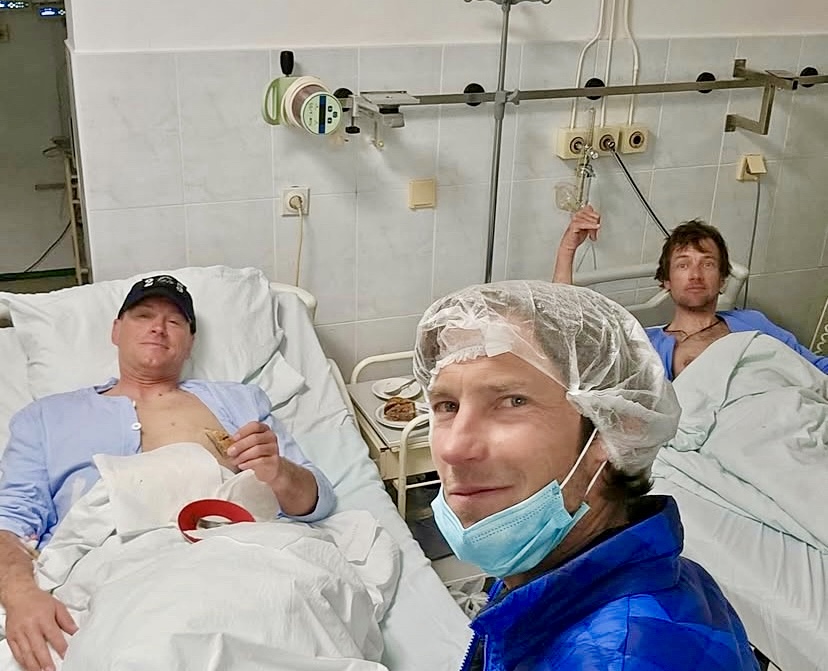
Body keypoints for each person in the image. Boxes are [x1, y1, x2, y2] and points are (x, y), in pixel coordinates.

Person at [413, 280, 760, 670]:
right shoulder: (548, 572)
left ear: (615, 426)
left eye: (512, 402)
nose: (452, 449)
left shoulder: (622, 658)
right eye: (447, 405)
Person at [0, 274, 336, 671]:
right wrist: (22, 596)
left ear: (190, 342)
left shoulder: (238, 400)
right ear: (115, 330)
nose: (159, 327)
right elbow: (11, 523)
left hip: (235, 551)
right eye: (143, 315)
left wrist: (278, 472)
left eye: (175, 321)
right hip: (110, 567)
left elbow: (316, 502)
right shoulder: (46, 417)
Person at [553, 206, 828, 379]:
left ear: (722, 280)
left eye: (707, 264)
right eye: (683, 265)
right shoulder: (644, 345)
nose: (695, 275)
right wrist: (568, 249)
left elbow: (814, 367)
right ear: (666, 281)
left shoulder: (753, 322)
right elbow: (567, 341)